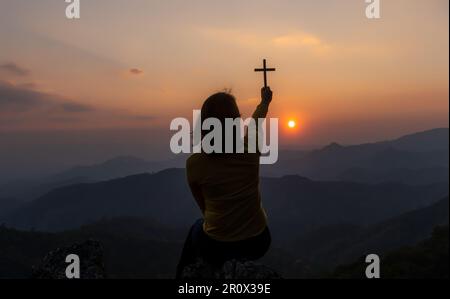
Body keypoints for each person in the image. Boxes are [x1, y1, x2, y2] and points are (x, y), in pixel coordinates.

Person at [176, 87, 273, 278]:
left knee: (196, 227)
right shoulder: (251, 148)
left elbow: (204, 209)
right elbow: (255, 123)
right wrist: (265, 102)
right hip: (258, 241)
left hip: (216, 247)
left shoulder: (194, 164)